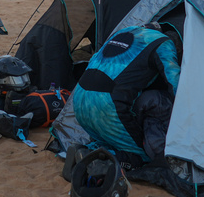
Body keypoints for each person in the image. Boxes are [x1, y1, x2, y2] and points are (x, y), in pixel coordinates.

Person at [71, 23, 181, 164]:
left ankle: (84, 150)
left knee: (108, 141)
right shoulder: (164, 42)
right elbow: (174, 81)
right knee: (140, 158)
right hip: (107, 103)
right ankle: (93, 158)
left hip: (79, 98)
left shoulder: (124, 31)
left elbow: (95, 59)